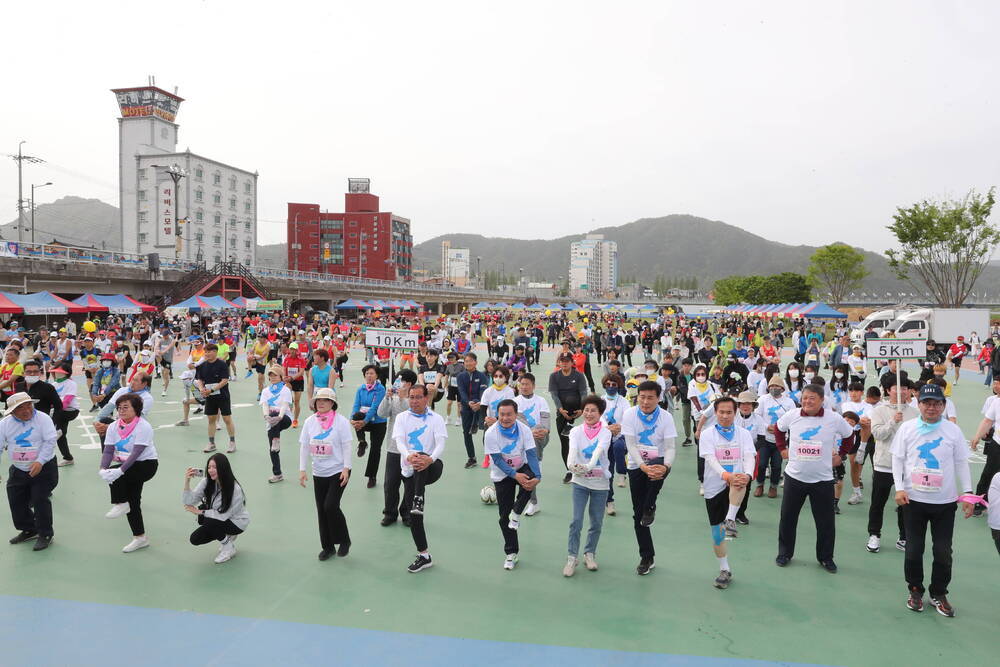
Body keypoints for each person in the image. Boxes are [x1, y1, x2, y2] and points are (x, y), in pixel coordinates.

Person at [891, 383, 974, 616]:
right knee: (914, 549)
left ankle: (939, 592)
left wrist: (967, 493)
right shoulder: (907, 429)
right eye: (927, 403)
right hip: (913, 501)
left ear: (944, 406)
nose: (932, 407)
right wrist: (899, 488)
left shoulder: (952, 431)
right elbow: (897, 459)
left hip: (944, 503)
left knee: (943, 551)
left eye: (937, 403)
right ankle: (915, 589)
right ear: (919, 405)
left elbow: (961, 463)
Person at [774, 384, 855, 572]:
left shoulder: (833, 418)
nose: (807, 401)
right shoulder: (792, 415)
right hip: (795, 477)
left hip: (823, 480)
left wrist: (841, 455)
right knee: (788, 518)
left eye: (812, 398)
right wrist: (782, 449)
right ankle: (784, 553)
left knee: (825, 522)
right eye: (804, 397)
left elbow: (849, 436)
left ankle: (825, 557)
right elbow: (778, 429)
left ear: (821, 400)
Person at [700, 396, 757, 589]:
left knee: (740, 479)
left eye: (729, 412)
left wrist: (748, 474)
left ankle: (731, 519)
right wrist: (726, 475)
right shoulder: (708, 434)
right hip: (714, 485)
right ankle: (725, 569)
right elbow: (710, 459)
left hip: (737, 483)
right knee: (717, 535)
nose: (725, 416)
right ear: (715, 413)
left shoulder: (744, 434)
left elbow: (749, 455)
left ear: (736, 413)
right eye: (721, 412)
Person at [622, 380, 677, 575]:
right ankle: (647, 556)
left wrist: (666, 466)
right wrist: (643, 466)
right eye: (642, 397)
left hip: (659, 463)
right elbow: (631, 445)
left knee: (655, 477)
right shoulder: (629, 414)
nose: (645, 402)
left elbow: (670, 447)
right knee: (639, 515)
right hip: (637, 465)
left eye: (650, 398)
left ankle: (650, 505)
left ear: (658, 398)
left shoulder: (666, 417)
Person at [392, 384, 447, 572]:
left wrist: (429, 459)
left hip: (432, 467)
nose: (414, 401)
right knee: (415, 517)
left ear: (426, 399)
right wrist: (408, 456)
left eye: (418, 397)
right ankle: (424, 555)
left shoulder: (436, 419)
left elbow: (440, 444)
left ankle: (418, 498)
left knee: (421, 455)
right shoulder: (402, 418)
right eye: (411, 397)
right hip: (410, 469)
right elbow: (399, 441)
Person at [484, 399, 541, 570]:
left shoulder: (524, 430)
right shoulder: (491, 433)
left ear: (516, 415)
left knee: (529, 480)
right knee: (503, 518)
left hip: (521, 466)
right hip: (502, 474)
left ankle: (517, 512)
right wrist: (515, 475)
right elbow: (497, 461)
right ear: (497, 415)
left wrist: (537, 476)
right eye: (502, 414)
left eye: (509, 414)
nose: (505, 418)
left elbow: (531, 453)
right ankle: (511, 553)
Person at [99, 392, 158, 553]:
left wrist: (118, 471)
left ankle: (120, 503)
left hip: (146, 465)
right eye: (119, 408)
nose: (121, 410)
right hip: (127, 465)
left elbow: (137, 452)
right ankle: (140, 538)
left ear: (136, 409)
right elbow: (108, 450)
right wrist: (102, 469)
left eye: (126, 407)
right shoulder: (113, 426)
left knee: (117, 477)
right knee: (133, 501)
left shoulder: (143, 426)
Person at [299, 387, 353, 561]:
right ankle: (328, 547)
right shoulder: (309, 422)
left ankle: (344, 540)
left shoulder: (341, 421)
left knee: (330, 506)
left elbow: (346, 445)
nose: (321, 403)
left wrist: (346, 468)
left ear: (333, 403)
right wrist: (302, 469)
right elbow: (304, 446)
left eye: (325, 400)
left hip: (338, 471)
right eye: (318, 400)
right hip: (318, 472)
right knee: (321, 511)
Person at [1, 392, 58, 551]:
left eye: (28, 405)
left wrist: (40, 461)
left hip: (44, 467)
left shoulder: (43, 418)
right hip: (19, 468)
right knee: (15, 499)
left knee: (40, 499)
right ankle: (29, 528)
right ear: (12, 411)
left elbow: (50, 441)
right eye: (20, 408)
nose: (26, 410)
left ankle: (45, 533)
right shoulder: (4, 424)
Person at [866, 382, 918, 553]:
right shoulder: (879, 411)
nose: (901, 391)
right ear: (888, 390)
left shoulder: (914, 413)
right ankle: (874, 535)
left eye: (905, 388)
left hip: (906, 467)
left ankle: (904, 537)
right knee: (878, 503)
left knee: (906, 503)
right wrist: (892, 421)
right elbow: (878, 434)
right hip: (884, 464)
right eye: (897, 387)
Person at [563, 394, 611, 577]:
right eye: (586, 410)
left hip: (600, 483)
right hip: (580, 482)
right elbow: (572, 451)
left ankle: (589, 553)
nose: (589, 414)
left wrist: (588, 467)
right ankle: (571, 557)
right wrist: (571, 466)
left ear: (600, 413)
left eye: (593, 411)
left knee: (596, 522)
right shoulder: (576, 431)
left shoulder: (605, 432)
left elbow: (599, 451)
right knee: (576, 521)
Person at [183, 453, 250, 564]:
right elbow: (188, 502)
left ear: (223, 468)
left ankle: (228, 548)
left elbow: (223, 515)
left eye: (214, 467)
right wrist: (187, 481)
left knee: (208, 520)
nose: (210, 470)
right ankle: (227, 537)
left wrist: (200, 512)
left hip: (237, 523)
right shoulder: (207, 482)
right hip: (218, 519)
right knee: (195, 539)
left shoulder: (235, 489)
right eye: (209, 467)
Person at [378, 369, 417, 527]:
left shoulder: (415, 400)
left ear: (409, 384)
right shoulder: (392, 397)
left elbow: (409, 414)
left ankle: (407, 513)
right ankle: (390, 513)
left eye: (400, 380)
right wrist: (387, 398)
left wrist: (402, 400)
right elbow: (382, 414)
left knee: (410, 484)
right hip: (394, 448)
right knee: (391, 483)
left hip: (412, 449)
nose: (397, 383)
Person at [513, 373, 550, 516]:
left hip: (539, 438)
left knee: (539, 429)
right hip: (520, 439)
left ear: (533, 386)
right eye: (522, 384)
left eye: (527, 384)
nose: (524, 387)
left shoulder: (541, 401)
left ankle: (536, 461)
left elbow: (546, 421)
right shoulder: (514, 401)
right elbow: (519, 421)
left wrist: (544, 430)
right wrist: (530, 432)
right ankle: (533, 502)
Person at [549, 353, 588, 484]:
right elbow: (554, 395)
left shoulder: (579, 376)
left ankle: (570, 423)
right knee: (564, 442)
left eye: (567, 361)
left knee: (577, 443)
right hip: (561, 412)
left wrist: (582, 409)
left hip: (576, 410)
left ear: (572, 362)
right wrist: (560, 409)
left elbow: (583, 393)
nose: (564, 363)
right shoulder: (554, 376)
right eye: (562, 361)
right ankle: (569, 470)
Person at [351, 364, 388, 488]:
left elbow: (375, 407)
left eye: (371, 373)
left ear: (377, 375)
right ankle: (362, 442)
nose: (369, 376)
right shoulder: (361, 389)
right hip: (364, 420)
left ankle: (372, 476)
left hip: (378, 422)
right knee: (356, 416)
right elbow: (356, 405)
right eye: (367, 373)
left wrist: (365, 421)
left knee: (375, 450)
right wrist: (352, 419)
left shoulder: (380, 389)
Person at [196, 344, 236, 454]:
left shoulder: (222, 364)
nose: (207, 354)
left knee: (227, 419)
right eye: (206, 352)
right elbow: (200, 380)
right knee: (211, 420)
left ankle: (232, 442)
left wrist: (212, 390)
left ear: (215, 352)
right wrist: (201, 389)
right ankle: (211, 443)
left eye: (209, 352)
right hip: (210, 397)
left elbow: (224, 380)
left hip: (222, 396)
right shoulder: (203, 366)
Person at [259, 366, 293, 483]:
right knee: (273, 450)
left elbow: (284, 405)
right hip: (271, 421)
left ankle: (276, 439)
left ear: (280, 377)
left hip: (285, 419)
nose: (273, 377)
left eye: (275, 375)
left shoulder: (285, 390)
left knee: (274, 415)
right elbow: (265, 405)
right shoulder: (265, 391)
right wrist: (266, 416)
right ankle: (277, 474)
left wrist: (279, 416)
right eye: (271, 375)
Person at [456, 352, 489, 469]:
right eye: (466, 361)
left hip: (480, 407)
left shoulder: (482, 376)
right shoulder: (460, 376)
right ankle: (472, 458)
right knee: (466, 433)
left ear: (476, 362)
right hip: (466, 407)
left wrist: (479, 403)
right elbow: (462, 391)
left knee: (488, 431)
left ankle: (490, 456)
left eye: (470, 361)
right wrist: (468, 403)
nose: (468, 363)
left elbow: (483, 391)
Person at [49, 363, 79, 467]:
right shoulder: (53, 385)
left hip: (71, 411)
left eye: (59, 371)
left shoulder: (71, 383)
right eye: (55, 371)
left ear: (66, 373)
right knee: (61, 436)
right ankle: (68, 458)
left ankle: (55, 432)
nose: (56, 373)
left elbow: (67, 401)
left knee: (58, 429)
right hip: (59, 411)